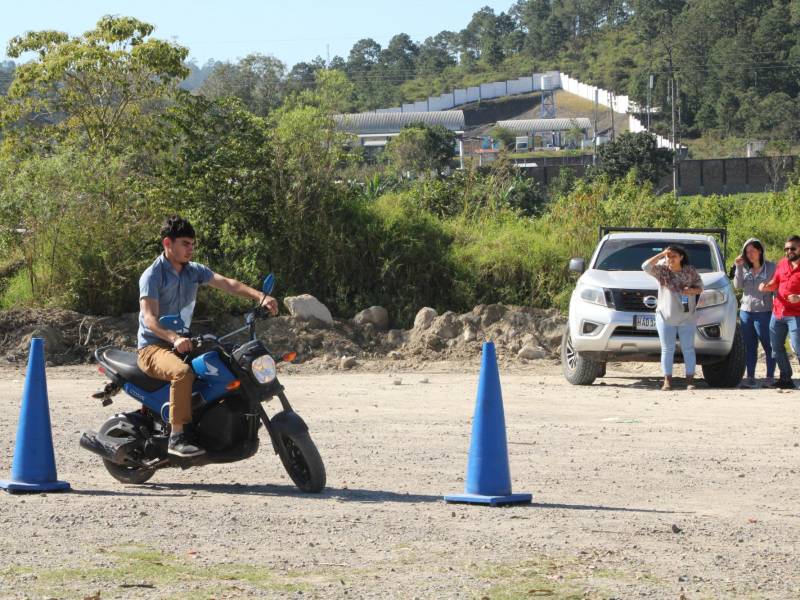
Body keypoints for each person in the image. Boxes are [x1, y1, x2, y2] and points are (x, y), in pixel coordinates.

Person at [137, 216, 278, 457]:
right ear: (167, 243)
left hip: (184, 342)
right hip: (154, 347)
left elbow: (228, 284)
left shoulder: (194, 271)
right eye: (184, 243)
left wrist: (259, 297)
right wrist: (174, 338)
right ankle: (177, 436)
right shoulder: (153, 275)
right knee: (182, 373)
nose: (190, 249)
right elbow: (149, 319)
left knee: (229, 362)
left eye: (192, 244)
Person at [643, 245, 704, 391]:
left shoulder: (690, 271)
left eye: (673, 256)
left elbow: (700, 288)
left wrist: (691, 290)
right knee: (667, 349)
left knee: (688, 348)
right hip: (665, 316)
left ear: (681, 257)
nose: (670, 259)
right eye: (668, 256)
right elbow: (645, 266)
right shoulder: (662, 270)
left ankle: (690, 380)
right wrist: (661, 254)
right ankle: (667, 381)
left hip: (687, 317)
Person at [758, 235, 800, 389]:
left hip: (796, 314)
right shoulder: (782, 264)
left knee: (797, 346)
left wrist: (799, 297)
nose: (789, 251)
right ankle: (785, 378)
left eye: (793, 248)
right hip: (778, 313)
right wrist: (765, 287)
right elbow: (774, 283)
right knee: (775, 347)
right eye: (786, 249)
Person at [733, 238, 776, 388]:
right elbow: (737, 285)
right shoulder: (743, 268)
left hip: (764, 312)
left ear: (760, 251)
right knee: (749, 347)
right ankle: (750, 377)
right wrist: (738, 267)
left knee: (768, 345)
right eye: (747, 251)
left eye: (753, 250)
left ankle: (770, 377)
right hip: (746, 313)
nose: (750, 254)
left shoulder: (771, 267)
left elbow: (777, 287)